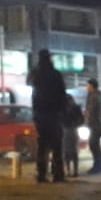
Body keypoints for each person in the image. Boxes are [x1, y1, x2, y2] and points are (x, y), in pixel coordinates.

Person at [28, 49, 68, 183]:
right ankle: (58, 174)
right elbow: (62, 94)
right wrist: (63, 111)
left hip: (40, 114)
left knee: (42, 145)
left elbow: (30, 84)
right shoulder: (55, 74)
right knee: (57, 145)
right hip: (54, 114)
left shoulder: (35, 74)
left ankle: (41, 174)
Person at [84, 78, 101, 174]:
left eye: (88, 85)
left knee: (94, 145)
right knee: (95, 145)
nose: (86, 87)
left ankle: (98, 166)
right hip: (96, 124)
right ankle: (99, 166)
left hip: (95, 125)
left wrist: (87, 121)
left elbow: (91, 112)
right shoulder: (95, 95)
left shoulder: (95, 97)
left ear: (92, 86)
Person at [62, 95, 83, 178]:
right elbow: (81, 119)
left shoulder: (75, 108)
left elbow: (81, 119)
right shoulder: (71, 108)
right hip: (68, 130)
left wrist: (76, 124)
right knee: (68, 152)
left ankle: (73, 171)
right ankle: (70, 171)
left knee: (72, 151)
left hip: (71, 130)